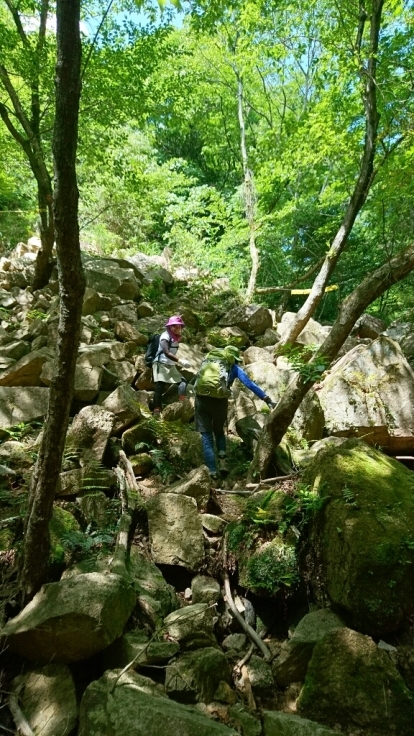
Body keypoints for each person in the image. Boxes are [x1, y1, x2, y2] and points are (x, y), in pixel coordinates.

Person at [194, 345, 275, 479]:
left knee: (207, 436)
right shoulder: (234, 368)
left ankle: (212, 472)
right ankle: (223, 463)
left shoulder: (209, 362)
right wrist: (267, 399)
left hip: (201, 401)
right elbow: (249, 384)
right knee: (219, 431)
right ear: (234, 359)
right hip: (219, 403)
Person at [152, 315, 190, 415]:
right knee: (159, 386)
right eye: (174, 326)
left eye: (179, 326)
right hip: (161, 363)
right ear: (170, 327)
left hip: (170, 364)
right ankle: (156, 410)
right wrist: (180, 361)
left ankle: (181, 402)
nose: (177, 328)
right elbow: (166, 352)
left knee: (182, 382)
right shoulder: (165, 336)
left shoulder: (175, 338)